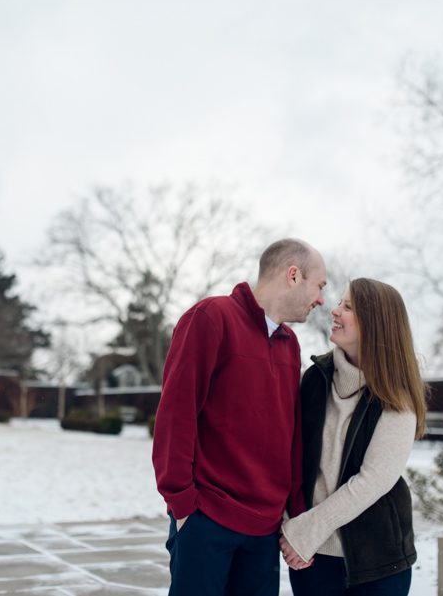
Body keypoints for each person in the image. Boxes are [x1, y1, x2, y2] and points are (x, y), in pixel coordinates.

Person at [151, 238, 327, 596]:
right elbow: (176, 415)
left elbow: (289, 434)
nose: (322, 298)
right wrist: (182, 504)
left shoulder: (289, 343)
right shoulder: (210, 318)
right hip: (207, 519)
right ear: (293, 275)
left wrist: (292, 511)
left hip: (263, 530)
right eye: (319, 285)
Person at [279, 278, 428, 596]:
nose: (334, 311)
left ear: (375, 323)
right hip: (312, 559)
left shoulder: (395, 396)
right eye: (339, 303)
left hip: (376, 563)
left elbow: (373, 480)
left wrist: (307, 530)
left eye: (347, 307)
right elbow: (290, 455)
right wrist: (289, 522)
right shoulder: (315, 379)